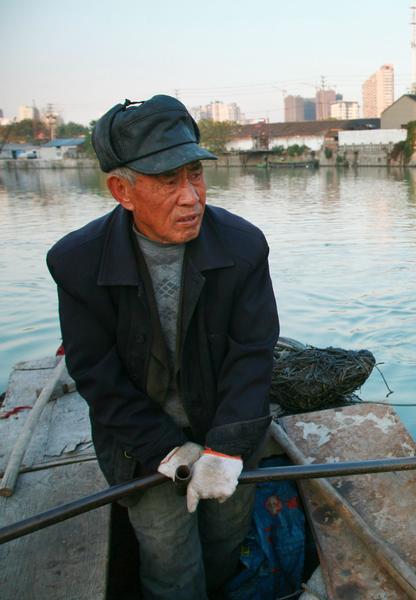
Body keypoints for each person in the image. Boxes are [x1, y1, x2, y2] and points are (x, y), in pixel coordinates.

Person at [46, 95, 279, 599]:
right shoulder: (77, 262)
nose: (191, 196)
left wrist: (227, 448)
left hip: (226, 429)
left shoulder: (243, 246)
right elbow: (95, 374)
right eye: (168, 181)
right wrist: (166, 449)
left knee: (224, 541)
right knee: (172, 566)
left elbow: (253, 353)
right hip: (141, 442)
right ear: (121, 191)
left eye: (195, 174)